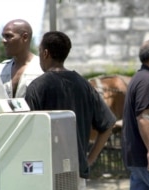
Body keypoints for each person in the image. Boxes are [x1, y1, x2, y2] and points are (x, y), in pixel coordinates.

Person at [24, 31, 116, 189]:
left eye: (39, 52)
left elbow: (26, 134)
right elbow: (108, 124)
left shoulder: (37, 87)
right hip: (76, 172)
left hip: (45, 173)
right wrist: (88, 160)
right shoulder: (84, 84)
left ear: (45, 53)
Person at [121, 39, 149, 190]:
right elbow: (143, 118)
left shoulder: (140, 77)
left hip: (138, 157)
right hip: (146, 157)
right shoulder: (146, 81)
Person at [0, 19, 43, 98]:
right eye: (3, 36)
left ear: (25, 37)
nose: (3, 40)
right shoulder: (0, 69)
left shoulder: (41, 68)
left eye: (9, 36)